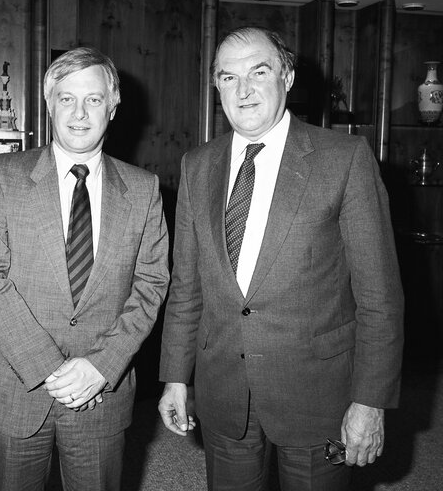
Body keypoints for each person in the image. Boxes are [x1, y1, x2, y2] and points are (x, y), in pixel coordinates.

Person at [158, 26, 404, 491]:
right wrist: (175, 376)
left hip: (318, 396)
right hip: (224, 392)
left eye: (259, 71)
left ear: (287, 77)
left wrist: (370, 401)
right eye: (228, 77)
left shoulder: (344, 158)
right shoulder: (197, 164)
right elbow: (186, 285)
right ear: (216, 86)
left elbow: (380, 297)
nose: (244, 89)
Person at [0, 47, 170, 491]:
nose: (79, 112)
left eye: (94, 99)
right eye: (66, 98)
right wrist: (51, 368)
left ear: (113, 107)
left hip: (101, 389)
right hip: (16, 386)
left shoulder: (144, 189)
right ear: (48, 103)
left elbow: (151, 285)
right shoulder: (2, 176)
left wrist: (102, 365)